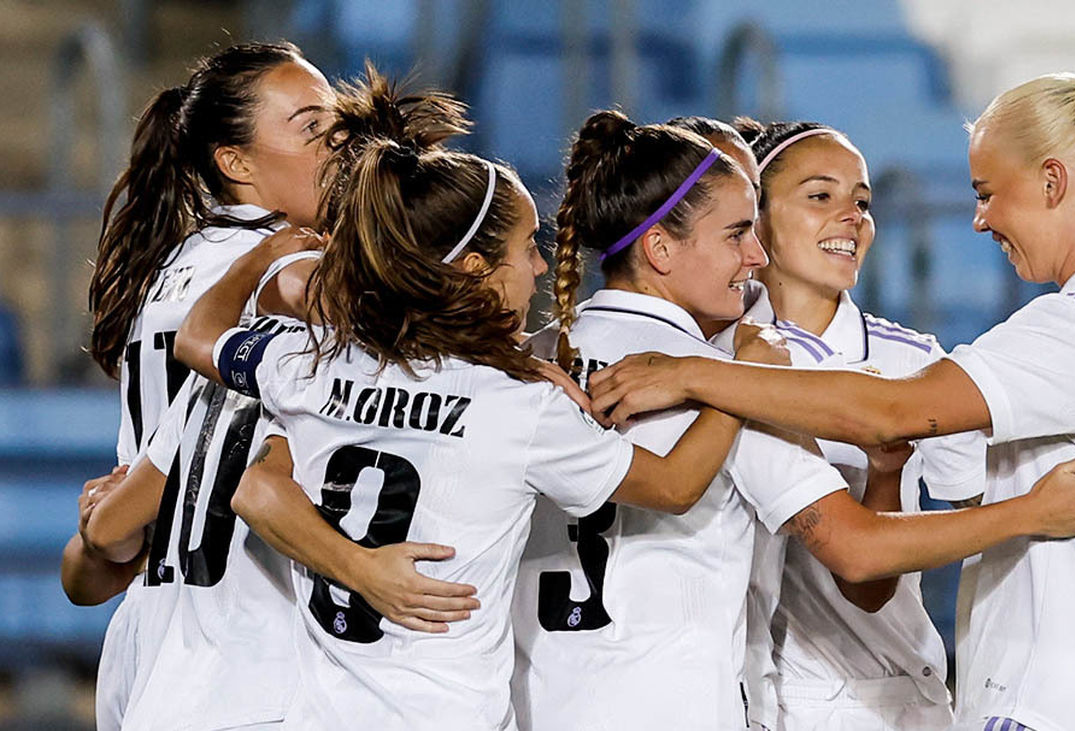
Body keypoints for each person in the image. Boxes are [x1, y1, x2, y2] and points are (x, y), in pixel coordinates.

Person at [589, 72, 1075, 730]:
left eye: (990, 192)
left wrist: (692, 375)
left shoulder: (1071, 328)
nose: (980, 219)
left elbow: (887, 421)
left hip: (1045, 700)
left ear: (1052, 181)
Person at [514, 110, 1075, 731]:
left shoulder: (525, 365)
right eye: (738, 232)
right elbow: (857, 545)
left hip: (540, 701)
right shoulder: (742, 382)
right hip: (687, 703)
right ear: (660, 245)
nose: (755, 255)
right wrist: (1033, 512)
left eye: (862, 199)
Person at [170, 91, 770, 730]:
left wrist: (254, 262)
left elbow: (198, 338)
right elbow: (675, 485)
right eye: (527, 247)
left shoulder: (312, 364)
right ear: (477, 269)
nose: (542, 266)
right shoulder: (518, 407)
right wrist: (740, 381)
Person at [61, 42, 335, 731]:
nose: (342, 146)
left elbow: (109, 546)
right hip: (245, 634)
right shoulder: (285, 265)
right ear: (235, 162)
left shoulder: (177, 262)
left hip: (153, 633)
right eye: (312, 128)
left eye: (340, 124)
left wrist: (106, 525)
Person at [719, 117, 987, 731]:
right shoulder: (712, 354)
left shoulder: (916, 362)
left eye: (861, 202)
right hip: (743, 697)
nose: (852, 217)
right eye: (820, 196)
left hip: (888, 700)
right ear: (753, 218)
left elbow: (974, 516)